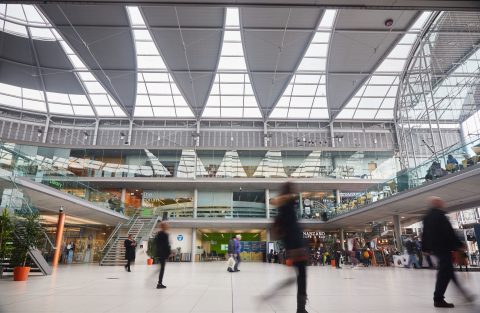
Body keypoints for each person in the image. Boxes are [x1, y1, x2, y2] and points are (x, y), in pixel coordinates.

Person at [422, 197, 474, 308]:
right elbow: (448, 232)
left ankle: (463, 293)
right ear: (437, 203)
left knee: (448, 271)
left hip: (436, 248)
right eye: (441, 202)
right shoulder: (440, 216)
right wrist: (459, 244)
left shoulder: (427, 217)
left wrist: (425, 248)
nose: (443, 203)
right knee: (445, 272)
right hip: (443, 247)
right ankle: (438, 299)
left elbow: (425, 234)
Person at [265, 182, 308, 313]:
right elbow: (273, 201)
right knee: (301, 276)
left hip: (292, 244)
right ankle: (300, 308)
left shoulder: (284, 206)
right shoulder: (288, 204)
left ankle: (300, 306)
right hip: (296, 245)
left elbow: (273, 202)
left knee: (299, 276)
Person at [155, 222, 171, 289]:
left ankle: (159, 283)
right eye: (167, 226)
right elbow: (166, 245)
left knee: (161, 268)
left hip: (159, 253)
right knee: (162, 269)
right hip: (163, 254)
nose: (168, 227)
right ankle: (159, 283)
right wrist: (168, 253)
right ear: (164, 227)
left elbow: (157, 244)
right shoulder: (165, 234)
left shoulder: (158, 234)